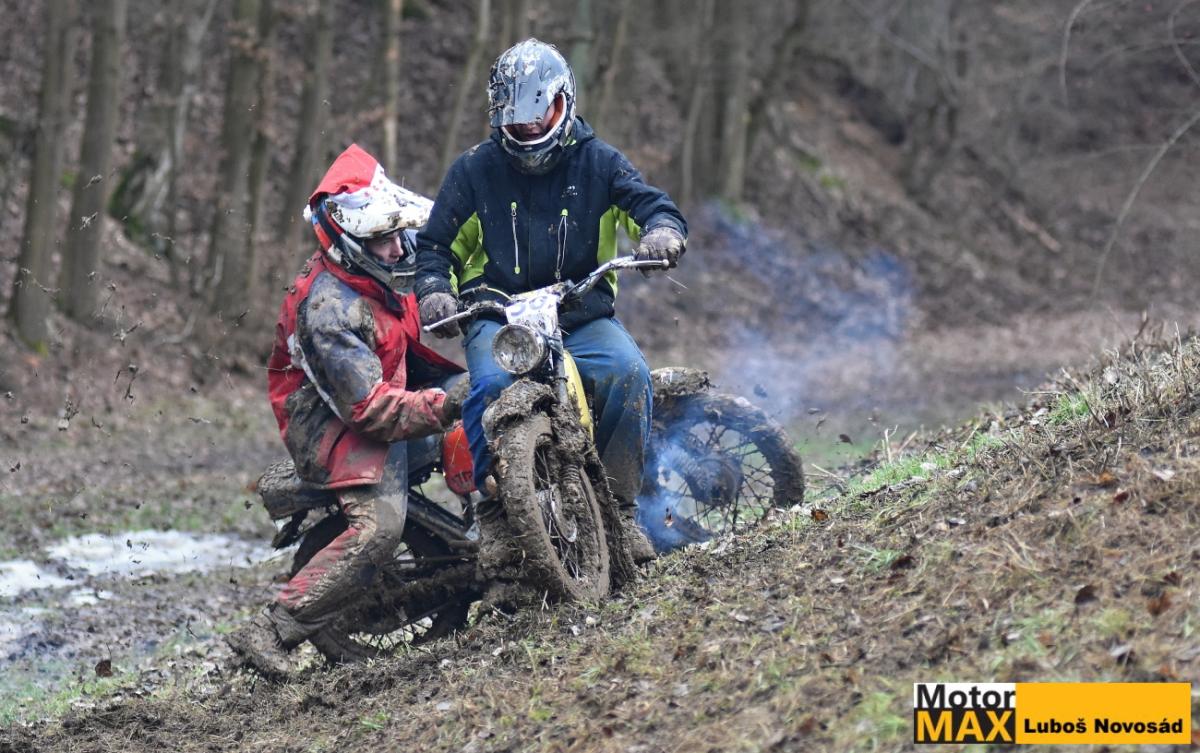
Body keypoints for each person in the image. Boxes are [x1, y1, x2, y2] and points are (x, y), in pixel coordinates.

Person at [414, 39, 687, 562]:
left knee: (628, 373)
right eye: (516, 120)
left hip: (578, 311)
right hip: (497, 314)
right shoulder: (474, 171)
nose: (529, 127)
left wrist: (662, 232)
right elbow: (435, 247)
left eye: (539, 114)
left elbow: (651, 206)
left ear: (564, 101)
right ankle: (494, 516)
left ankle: (621, 513)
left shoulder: (599, 162)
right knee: (490, 387)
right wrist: (433, 291)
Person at [228, 144, 467, 677]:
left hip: (389, 389)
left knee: (486, 402)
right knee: (378, 530)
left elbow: (430, 296)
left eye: (397, 234)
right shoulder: (328, 309)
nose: (398, 247)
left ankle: (499, 530)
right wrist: (443, 403)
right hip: (336, 427)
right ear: (352, 242)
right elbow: (370, 410)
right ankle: (273, 627)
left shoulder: (382, 271)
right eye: (384, 239)